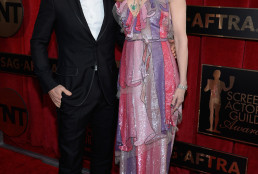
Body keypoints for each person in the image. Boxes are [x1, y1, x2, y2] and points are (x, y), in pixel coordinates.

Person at [30, 0, 125, 173]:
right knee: (70, 160)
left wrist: (157, 43)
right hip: (71, 91)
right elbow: (38, 42)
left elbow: (124, 39)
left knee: (103, 159)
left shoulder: (113, 2)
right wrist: (50, 85)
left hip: (107, 91)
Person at [113, 0, 188, 173]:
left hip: (160, 72)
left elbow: (181, 38)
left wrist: (182, 84)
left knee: (156, 134)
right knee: (133, 134)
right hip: (130, 74)